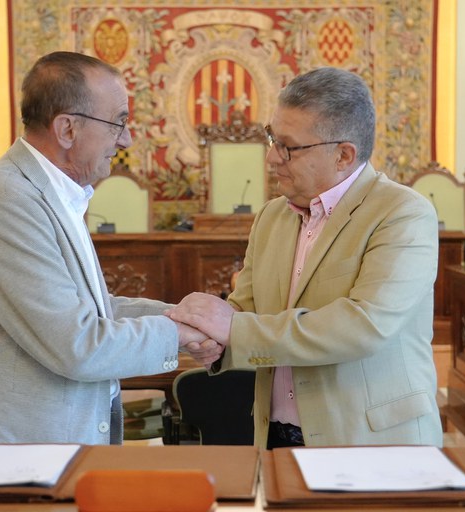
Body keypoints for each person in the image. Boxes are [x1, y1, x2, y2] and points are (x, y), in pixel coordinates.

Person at [0, 51, 219, 446]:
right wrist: (179, 333)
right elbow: (77, 344)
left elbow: (92, 310)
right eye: (117, 123)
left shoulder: (50, 194)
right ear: (67, 129)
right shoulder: (6, 201)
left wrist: (184, 316)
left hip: (44, 450)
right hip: (10, 457)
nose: (126, 139)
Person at [168, 66, 442, 449]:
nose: (271, 157)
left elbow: (364, 326)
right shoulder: (271, 217)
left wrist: (233, 331)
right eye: (271, 138)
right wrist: (210, 341)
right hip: (273, 435)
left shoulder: (402, 213)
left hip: (367, 441)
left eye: (288, 147)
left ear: (343, 155)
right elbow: (245, 311)